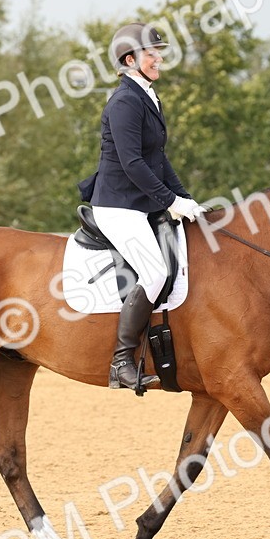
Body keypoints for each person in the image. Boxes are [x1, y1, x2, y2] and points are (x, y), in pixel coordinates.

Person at [77, 23, 205, 390]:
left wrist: (185, 197)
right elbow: (133, 163)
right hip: (118, 205)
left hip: (140, 204)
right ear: (130, 60)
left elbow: (158, 159)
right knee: (154, 274)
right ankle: (121, 361)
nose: (159, 58)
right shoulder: (124, 102)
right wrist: (169, 201)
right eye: (152, 53)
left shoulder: (148, 97)